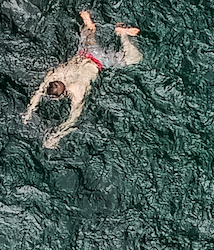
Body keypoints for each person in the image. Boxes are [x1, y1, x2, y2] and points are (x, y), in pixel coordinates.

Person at [22, 9, 142, 149]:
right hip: (85, 51)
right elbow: (40, 90)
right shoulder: (55, 75)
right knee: (89, 30)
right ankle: (88, 21)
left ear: (61, 95)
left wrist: (56, 136)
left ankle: (122, 35)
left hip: (99, 61)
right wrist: (29, 111)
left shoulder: (76, 91)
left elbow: (73, 119)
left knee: (135, 59)